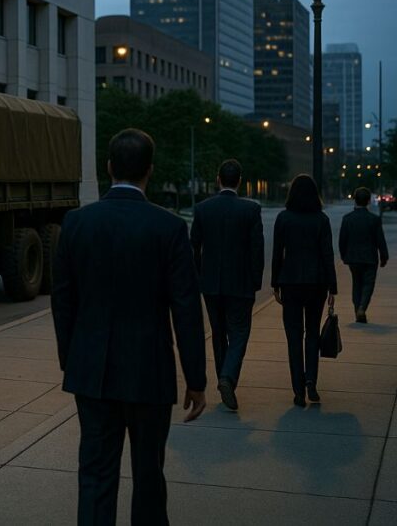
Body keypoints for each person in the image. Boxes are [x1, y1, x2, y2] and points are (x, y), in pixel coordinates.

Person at [52, 128, 207, 526]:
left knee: (96, 475)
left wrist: (71, 358)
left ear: (108, 167)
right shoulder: (169, 228)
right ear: (149, 171)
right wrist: (196, 378)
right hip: (148, 371)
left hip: (91, 371)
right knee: (149, 476)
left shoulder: (76, 223)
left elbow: (63, 301)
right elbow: (186, 308)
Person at [190, 159, 264, 411]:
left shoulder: (202, 209)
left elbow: (194, 247)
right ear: (239, 181)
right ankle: (227, 378)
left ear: (218, 179)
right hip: (241, 284)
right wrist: (256, 280)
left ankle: (224, 376)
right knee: (240, 332)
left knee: (218, 333)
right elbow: (257, 250)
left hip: (211, 284)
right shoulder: (251, 210)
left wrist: (199, 277)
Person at [271, 174, 337, 407]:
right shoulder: (321, 219)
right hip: (316, 283)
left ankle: (298, 390)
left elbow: (278, 252)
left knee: (293, 336)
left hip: (290, 282)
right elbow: (327, 254)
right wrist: (333, 287)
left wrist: (274, 283)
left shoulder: (284, 218)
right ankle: (311, 381)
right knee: (312, 333)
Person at [339, 187, 389, 323]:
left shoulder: (347, 219)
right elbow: (380, 240)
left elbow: (342, 240)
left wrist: (344, 256)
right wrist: (384, 256)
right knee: (368, 284)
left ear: (354, 200)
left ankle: (358, 311)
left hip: (353, 258)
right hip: (370, 258)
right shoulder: (374, 219)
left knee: (357, 283)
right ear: (368, 201)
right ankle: (362, 308)